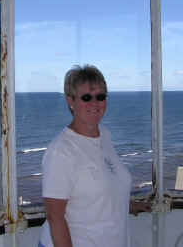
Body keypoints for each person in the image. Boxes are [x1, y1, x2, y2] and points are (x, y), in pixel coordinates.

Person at [39, 64, 149, 247]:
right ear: (70, 101)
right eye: (86, 97)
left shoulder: (104, 135)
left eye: (100, 96)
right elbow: (54, 217)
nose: (94, 103)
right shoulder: (62, 151)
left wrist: (126, 204)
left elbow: (102, 182)